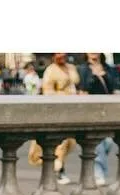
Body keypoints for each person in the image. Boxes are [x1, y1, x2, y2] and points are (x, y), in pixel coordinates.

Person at [29, 53, 82, 184]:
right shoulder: (51, 70)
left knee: (70, 142)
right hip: (59, 109)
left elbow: (77, 85)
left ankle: (56, 168)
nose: (61, 55)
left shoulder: (71, 68)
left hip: (73, 109)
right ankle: (59, 170)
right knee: (61, 142)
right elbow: (48, 92)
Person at [78, 53, 119, 186]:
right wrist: (93, 76)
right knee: (97, 143)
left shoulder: (108, 68)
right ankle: (99, 173)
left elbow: (113, 87)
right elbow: (83, 88)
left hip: (107, 110)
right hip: (91, 110)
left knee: (108, 142)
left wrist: (104, 75)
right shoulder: (83, 69)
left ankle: (93, 169)